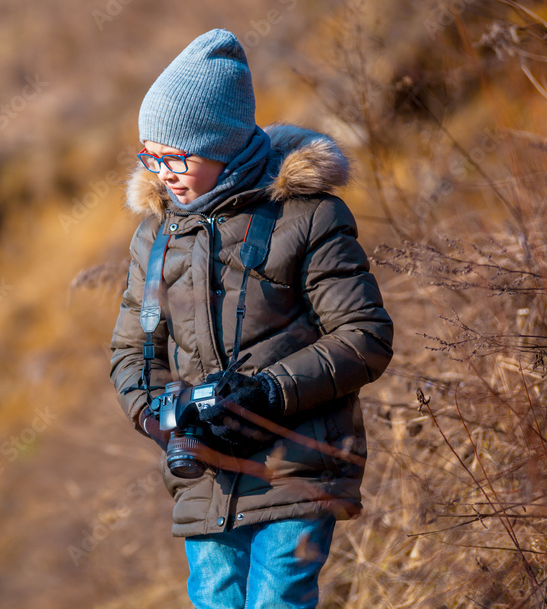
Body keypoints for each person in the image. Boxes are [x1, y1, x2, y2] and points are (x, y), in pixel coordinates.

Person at [109, 29, 394, 609]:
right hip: (204, 476)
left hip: (298, 464)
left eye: (175, 155)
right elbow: (131, 353)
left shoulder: (308, 215)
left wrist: (264, 393)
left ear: (221, 144)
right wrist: (161, 418)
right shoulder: (154, 240)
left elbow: (365, 337)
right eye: (149, 156)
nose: (161, 172)